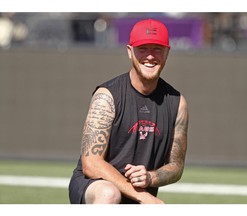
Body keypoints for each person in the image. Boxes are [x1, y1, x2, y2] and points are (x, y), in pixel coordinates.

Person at [68, 18, 189, 204]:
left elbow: (176, 167)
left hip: (141, 193)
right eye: (143, 48)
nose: (150, 56)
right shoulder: (107, 96)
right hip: (96, 186)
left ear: (167, 52)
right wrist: (142, 195)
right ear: (129, 51)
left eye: (157, 48)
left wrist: (150, 178)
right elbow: (91, 164)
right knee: (110, 194)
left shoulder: (177, 103)